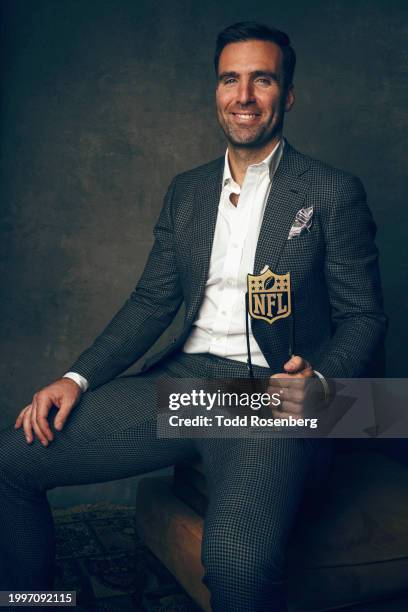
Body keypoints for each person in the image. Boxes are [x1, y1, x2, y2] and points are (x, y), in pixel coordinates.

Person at [0, 21, 386, 611]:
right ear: (217, 91)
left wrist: (322, 384)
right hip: (184, 386)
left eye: (263, 79)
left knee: (237, 570)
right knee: (12, 460)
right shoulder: (187, 192)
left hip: (270, 399)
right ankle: (36, 601)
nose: (245, 96)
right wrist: (74, 378)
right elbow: (153, 299)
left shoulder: (330, 191)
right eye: (231, 79)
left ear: (288, 94)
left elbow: (364, 317)